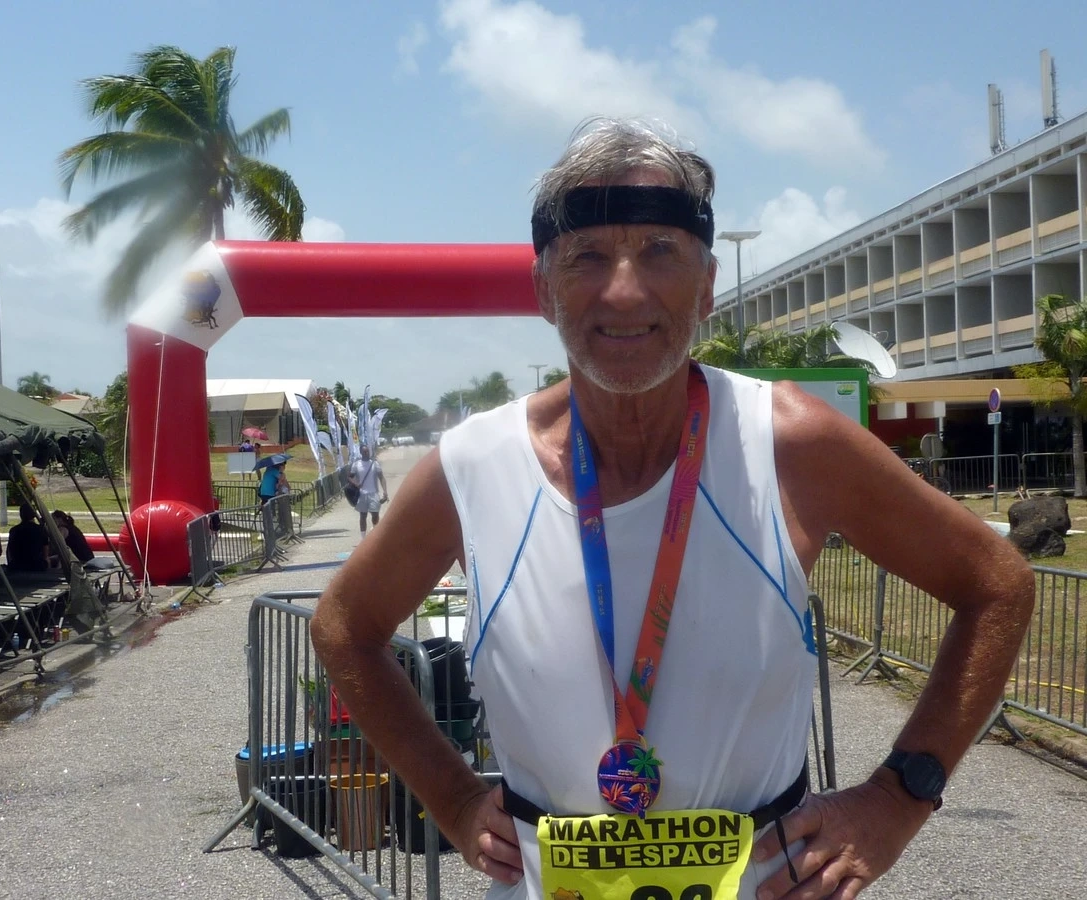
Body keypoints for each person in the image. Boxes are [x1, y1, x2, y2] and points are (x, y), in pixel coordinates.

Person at [310, 119, 1035, 900]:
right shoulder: (472, 465)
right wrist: (450, 798)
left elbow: (997, 582)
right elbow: (343, 626)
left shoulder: (786, 443)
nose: (625, 290)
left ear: (709, 283)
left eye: (661, 250)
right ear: (543, 289)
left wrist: (899, 797)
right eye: (588, 256)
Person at [346, 444, 388, 540]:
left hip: (373, 493)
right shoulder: (356, 464)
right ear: (361, 452)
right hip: (362, 494)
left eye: (367, 451)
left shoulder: (374, 463)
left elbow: (381, 477)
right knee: (363, 515)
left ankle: (376, 535)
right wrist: (356, 484)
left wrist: (385, 491)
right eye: (364, 451)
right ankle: (363, 538)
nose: (366, 453)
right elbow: (349, 477)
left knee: (375, 514)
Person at [6, 504, 50, 572]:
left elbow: (10, 550)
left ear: (20, 514)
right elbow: (45, 552)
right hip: (36, 565)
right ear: (34, 515)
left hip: (17, 565)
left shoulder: (14, 530)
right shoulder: (40, 530)